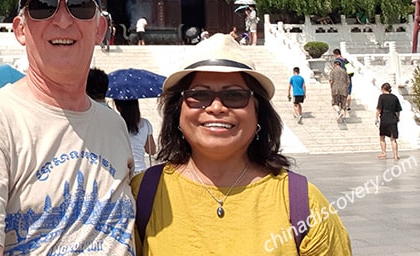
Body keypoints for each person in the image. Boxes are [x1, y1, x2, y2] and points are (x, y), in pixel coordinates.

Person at [0, 0, 136, 256]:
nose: (62, 20)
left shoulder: (114, 125)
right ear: (20, 29)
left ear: (100, 28)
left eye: (80, 6)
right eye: (43, 7)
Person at [132, 34, 351, 255]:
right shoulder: (141, 195)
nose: (216, 107)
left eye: (234, 95)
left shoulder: (304, 204)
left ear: (258, 112)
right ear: (178, 111)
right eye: (199, 95)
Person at [113, 99, 156, 175]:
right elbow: (151, 151)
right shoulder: (145, 124)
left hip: (122, 173)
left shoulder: (114, 124)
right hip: (140, 172)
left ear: (118, 107)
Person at [375, 83, 402, 160]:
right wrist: (398, 118)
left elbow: (379, 109)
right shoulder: (395, 97)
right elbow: (398, 110)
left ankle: (384, 152)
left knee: (382, 136)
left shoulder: (382, 97)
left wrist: (376, 118)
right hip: (393, 118)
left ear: (383, 89)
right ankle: (396, 155)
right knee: (393, 139)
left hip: (384, 118)